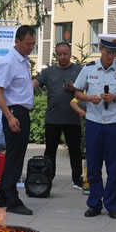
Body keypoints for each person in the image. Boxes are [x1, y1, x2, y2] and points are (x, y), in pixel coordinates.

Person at [74, 34, 116, 219]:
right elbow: (78, 92)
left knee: (113, 166)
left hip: (113, 123)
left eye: (115, 52)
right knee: (93, 165)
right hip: (94, 121)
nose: (111, 56)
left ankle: (112, 205)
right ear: (101, 48)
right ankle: (94, 203)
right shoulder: (89, 69)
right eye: (108, 51)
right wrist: (88, 98)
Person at [0, 25, 36, 215]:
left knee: (14, 155)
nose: (31, 48)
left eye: (33, 44)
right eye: (28, 44)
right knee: (15, 158)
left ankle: (2, 195)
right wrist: (10, 117)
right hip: (14, 113)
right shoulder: (10, 61)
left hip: (20, 112)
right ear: (17, 41)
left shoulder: (23, 60)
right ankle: (12, 199)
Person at [32, 42, 83, 189]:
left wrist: (75, 87)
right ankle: (48, 176)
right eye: (59, 54)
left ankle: (77, 178)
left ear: (70, 53)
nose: (62, 57)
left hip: (73, 118)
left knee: (75, 150)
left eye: (65, 53)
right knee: (50, 150)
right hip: (53, 118)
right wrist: (24, 88)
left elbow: (88, 87)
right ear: (56, 54)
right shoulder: (49, 72)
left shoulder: (79, 70)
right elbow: (36, 82)